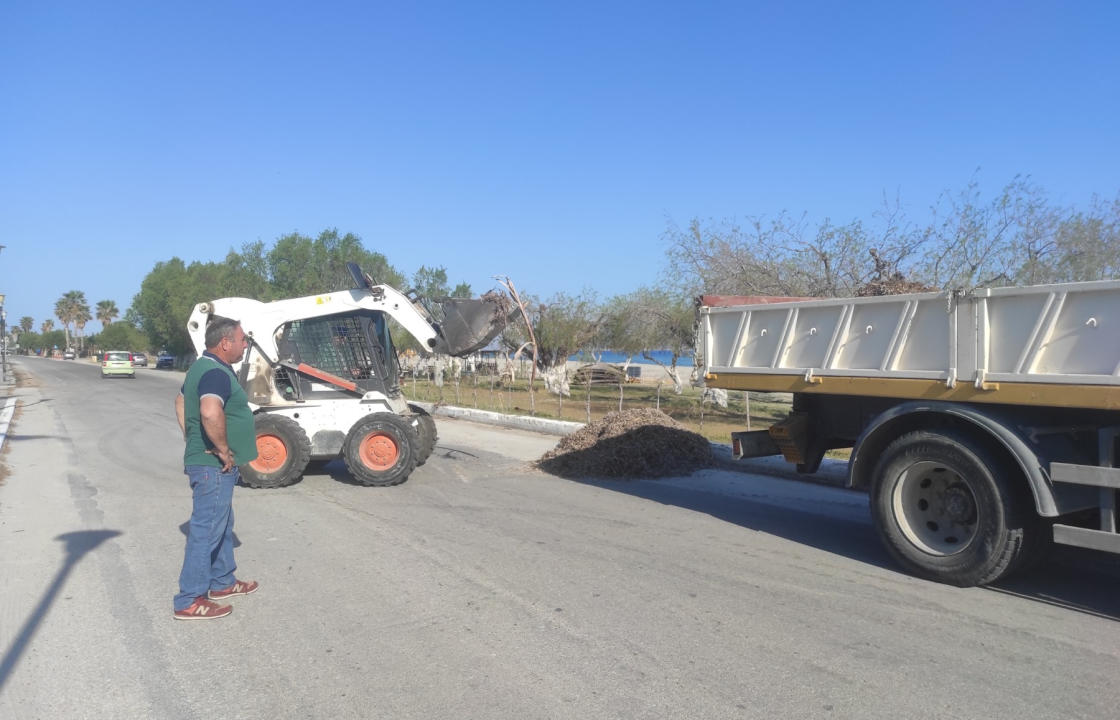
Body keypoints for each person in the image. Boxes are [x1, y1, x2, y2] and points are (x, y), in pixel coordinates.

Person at [172, 316, 259, 620]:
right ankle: (189, 599)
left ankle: (222, 582)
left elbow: (181, 402)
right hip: (213, 464)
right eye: (242, 339)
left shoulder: (201, 367)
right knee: (206, 529)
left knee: (221, 524)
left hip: (208, 462)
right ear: (225, 343)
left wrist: (191, 437)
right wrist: (222, 450)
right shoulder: (216, 373)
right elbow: (210, 411)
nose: (245, 344)